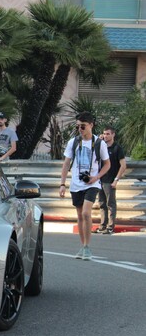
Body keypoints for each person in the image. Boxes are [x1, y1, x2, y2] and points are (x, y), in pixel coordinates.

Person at [59, 111, 110, 260]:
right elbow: (66, 163)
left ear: (91, 125)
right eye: (78, 127)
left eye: (83, 126)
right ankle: (82, 246)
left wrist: (96, 177)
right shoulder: (73, 142)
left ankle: (87, 247)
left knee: (86, 213)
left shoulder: (99, 143)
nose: (80, 129)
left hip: (92, 184)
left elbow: (107, 164)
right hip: (76, 184)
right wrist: (62, 184)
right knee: (80, 216)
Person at [95, 126, 127, 235]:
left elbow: (123, 165)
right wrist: (98, 141)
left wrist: (116, 180)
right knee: (102, 204)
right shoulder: (101, 146)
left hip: (110, 180)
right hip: (100, 179)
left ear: (113, 134)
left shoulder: (117, 148)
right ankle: (102, 225)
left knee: (110, 204)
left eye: (108, 134)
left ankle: (110, 226)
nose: (105, 136)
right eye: (104, 134)